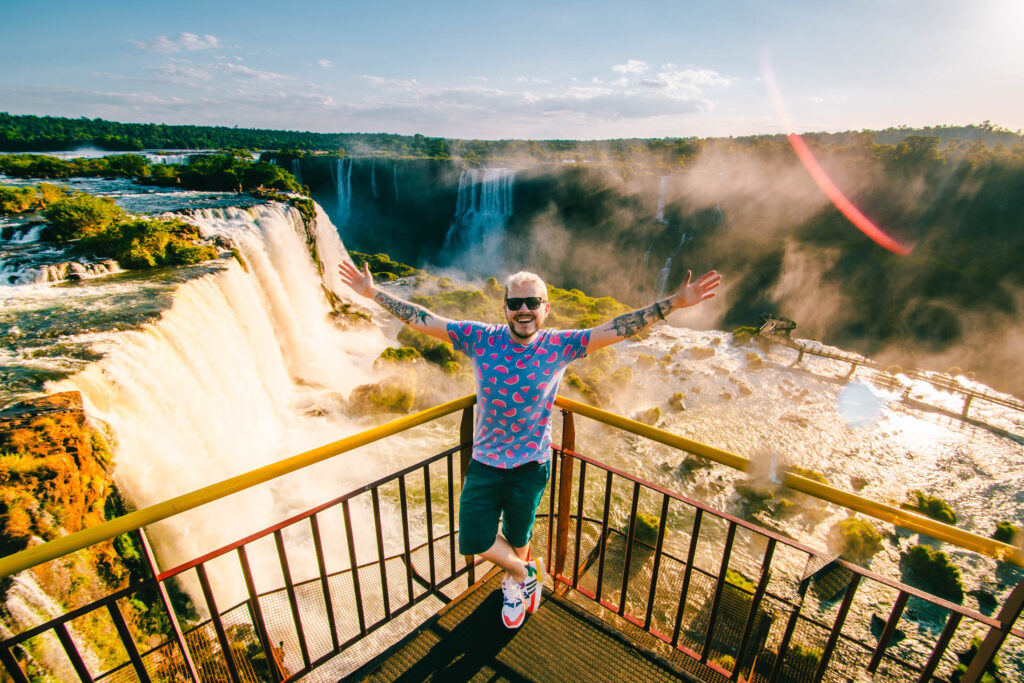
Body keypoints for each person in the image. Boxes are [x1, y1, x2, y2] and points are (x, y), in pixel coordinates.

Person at [339, 261, 720, 628]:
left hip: (531, 467)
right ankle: (524, 573)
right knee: (473, 536)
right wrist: (373, 293)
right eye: (516, 302)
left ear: (545, 308)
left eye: (532, 302)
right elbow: (423, 319)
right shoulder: (479, 338)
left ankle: (514, 584)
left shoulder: (562, 345)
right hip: (485, 463)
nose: (524, 310)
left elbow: (618, 327)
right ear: (505, 308)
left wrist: (674, 303)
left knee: (520, 537)